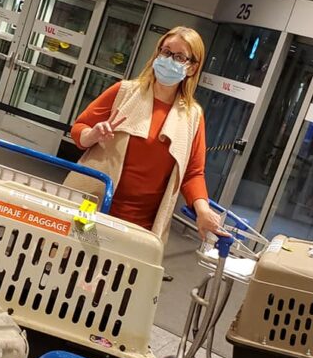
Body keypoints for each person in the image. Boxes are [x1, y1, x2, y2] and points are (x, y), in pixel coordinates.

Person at [65, 26, 226, 242]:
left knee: (121, 263)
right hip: (91, 203)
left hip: (142, 223)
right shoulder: (124, 92)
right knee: (75, 251)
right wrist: (92, 135)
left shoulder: (192, 116)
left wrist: (203, 210)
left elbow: (193, 173)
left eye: (179, 57)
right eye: (166, 52)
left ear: (192, 68)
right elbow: (79, 128)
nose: (169, 60)